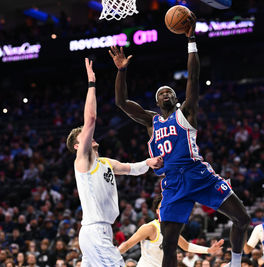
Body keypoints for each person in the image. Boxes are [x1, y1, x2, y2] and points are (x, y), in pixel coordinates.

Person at [109, 12, 250, 267]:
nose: (166, 93)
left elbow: (193, 77)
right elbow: (121, 102)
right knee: (169, 244)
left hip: (199, 174)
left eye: (170, 92)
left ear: (175, 99)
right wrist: (121, 71)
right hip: (172, 184)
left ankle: (236, 263)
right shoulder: (151, 121)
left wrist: (191, 38)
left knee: (243, 219)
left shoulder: (186, 113)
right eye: (161, 92)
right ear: (156, 101)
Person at [66, 59, 163, 267]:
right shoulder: (83, 159)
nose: (89, 135)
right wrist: (92, 84)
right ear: (77, 146)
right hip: (95, 230)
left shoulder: (104, 162)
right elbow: (90, 118)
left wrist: (149, 161)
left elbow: (131, 169)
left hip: (100, 230)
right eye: (83, 136)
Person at [118, 196, 224, 267]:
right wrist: (111, 256)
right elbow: (127, 245)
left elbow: (186, 246)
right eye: (162, 207)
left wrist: (209, 250)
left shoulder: (171, 229)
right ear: (157, 211)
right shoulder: (150, 228)